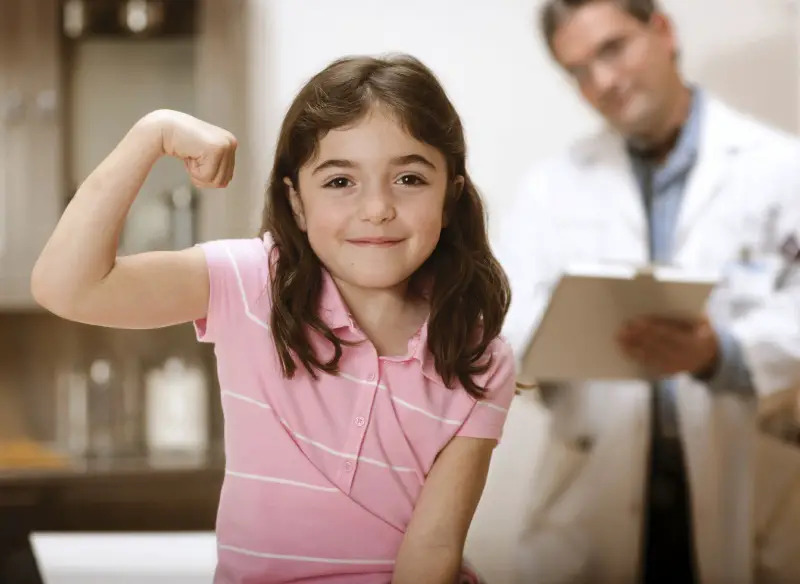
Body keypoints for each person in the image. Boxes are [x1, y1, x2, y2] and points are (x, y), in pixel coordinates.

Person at [31, 54, 516, 584]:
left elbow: (434, 548)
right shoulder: (249, 282)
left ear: (451, 198)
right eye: (339, 182)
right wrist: (152, 134)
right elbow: (68, 287)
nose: (377, 207)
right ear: (297, 203)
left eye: (408, 178)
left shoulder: (480, 356)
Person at [495, 1, 800, 583]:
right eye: (579, 71)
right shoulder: (550, 187)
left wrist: (721, 354)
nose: (603, 81)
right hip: (597, 490)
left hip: (748, 486)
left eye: (612, 49)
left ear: (662, 30)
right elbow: (507, 327)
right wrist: (569, 331)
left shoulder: (781, 169)